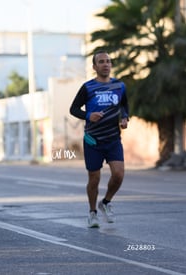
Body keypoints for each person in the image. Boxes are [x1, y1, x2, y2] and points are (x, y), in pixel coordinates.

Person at [69, 50, 129, 228]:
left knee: (118, 174)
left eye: (108, 61)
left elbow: (124, 105)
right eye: (101, 62)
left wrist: (125, 118)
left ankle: (106, 202)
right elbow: (73, 109)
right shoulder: (88, 87)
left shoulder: (120, 86)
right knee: (94, 178)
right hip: (92, 140)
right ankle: (92, 212)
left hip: (113, 139)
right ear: (94, 67)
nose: (106, 64)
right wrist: (89, 115)